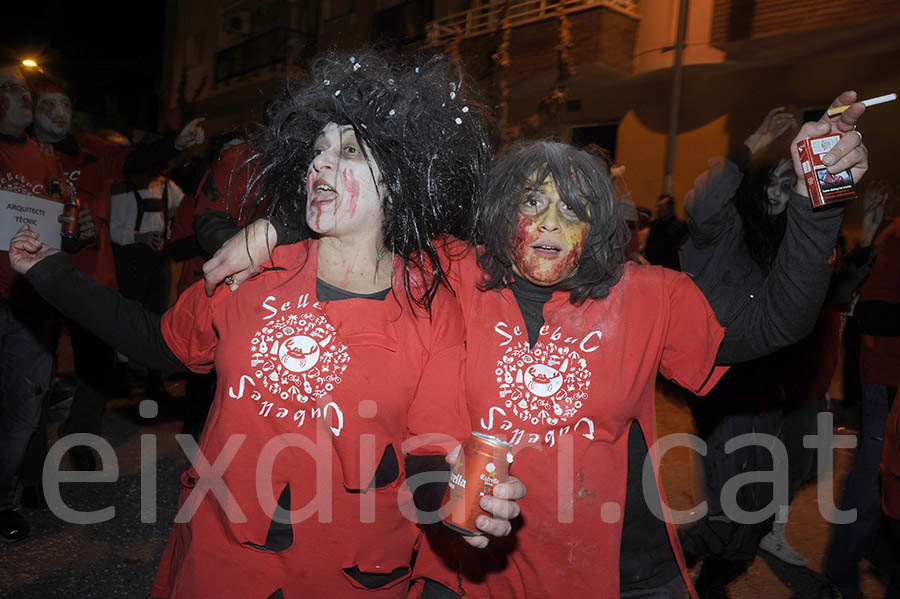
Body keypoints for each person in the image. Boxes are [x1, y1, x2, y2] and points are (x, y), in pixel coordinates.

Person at [203, 91, 868, 598]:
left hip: (619, 571)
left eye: (574, 207)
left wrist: (822, 197)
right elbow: (362, 225)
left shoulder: (645, 295)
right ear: (500, 213)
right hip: (467, 570)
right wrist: (274, 233)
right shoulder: (453, 272)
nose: (552, 223)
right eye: (533, 202)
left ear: (600, 222)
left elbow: (777, 322)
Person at [9, 51, 522, 597]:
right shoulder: (254, 270)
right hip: (224, 558)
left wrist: (461, 506)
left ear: (396, 182)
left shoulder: (428, 304)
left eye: (348, 151)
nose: (321, 164)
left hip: (349, 572)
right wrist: (53, 273)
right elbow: (160, 344)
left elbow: (427, 452)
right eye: (318, 151)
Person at [677, 97, 868, 597]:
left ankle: (710, 576)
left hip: (775, 397)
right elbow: (703, 206)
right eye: (777, 176)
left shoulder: (785, 247)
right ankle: (671, 558)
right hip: (725, 395)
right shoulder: (722, 232)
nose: (786, 181)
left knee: (758, 508)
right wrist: (754, 145)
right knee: (729, 505)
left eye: (794, 179)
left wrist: (824, 192)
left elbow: (802, 302)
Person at [28, 73, 206, 470]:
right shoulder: (19, 156)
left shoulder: (90, 152)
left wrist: (174, 144)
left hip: (87, 277)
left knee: (98, 367)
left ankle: (80, 440)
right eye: (47, 105)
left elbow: (134, 159)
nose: (58, 112)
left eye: (64, 105)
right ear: (30, 114)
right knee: (33, 375)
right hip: (31, 280)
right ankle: (30, 461)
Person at [0, 60, 70, 541]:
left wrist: (76, 233)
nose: (21, 95)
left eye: (23, 88)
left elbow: (58, 226)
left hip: (28, 306)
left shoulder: (47, 161)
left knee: (23, 414)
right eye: (8, 88)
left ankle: (4, 501)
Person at [644, 193, 687, 270]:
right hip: (654, 266)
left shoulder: (680, 226)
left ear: (670, 208)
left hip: (670, 267)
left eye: (662, 206)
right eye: (658, 206)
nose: (659, 209)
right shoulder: (654, 224)